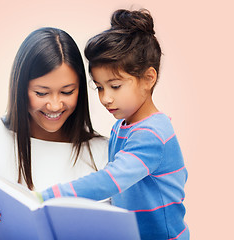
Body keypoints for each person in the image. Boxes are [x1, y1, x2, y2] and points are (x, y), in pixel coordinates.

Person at [39, 9, 189, 240]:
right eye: (99, 87)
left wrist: (49, 196)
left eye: (115, 86)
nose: (105, 98)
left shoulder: (153, 134)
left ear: (149, 78)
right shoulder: (123, 126)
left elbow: (111, 180)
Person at [0, 27, 109, 240]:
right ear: (20, 88)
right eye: (41, 93)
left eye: (67, 92)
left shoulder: (104, 151)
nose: (55, 105)